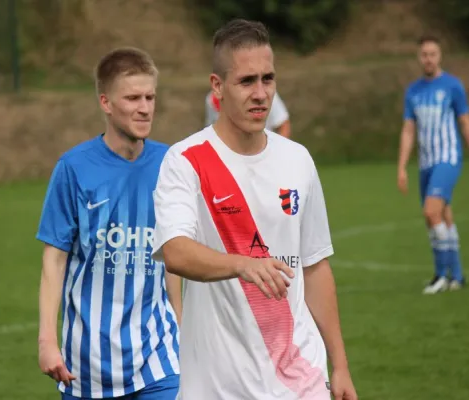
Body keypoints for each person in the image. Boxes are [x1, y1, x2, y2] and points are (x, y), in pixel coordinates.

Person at [152, 19, 357, 400]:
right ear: (217, 88)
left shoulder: (298, 160)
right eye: (247, 81)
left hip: (301, 379)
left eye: (268, 79)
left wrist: (340, 365)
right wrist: (242, 263)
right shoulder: (185, 161)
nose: (261, 93)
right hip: (218, 384)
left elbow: (314, 266)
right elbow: (175, 252)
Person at [35, 47, 181, 399]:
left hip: (158, 355)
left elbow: (173, 253)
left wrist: (181, 326)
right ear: (105, 102)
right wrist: (46, 341)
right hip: (87, 364)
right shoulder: (73, 168)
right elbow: (54, 260)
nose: (145, 107)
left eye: (150, 97)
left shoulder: (172, 163)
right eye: (132, 98)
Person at [397, 34, 469, 294]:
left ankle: (440, 275)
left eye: (432, 54)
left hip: (448, 158)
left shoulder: (453, 86)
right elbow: (408, 130)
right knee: (441, 217)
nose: (428, 59)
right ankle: (457, 277)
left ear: (440, 56)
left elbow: (465, 122)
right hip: (426, 163)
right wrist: (402, 166)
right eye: (424, 54)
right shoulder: (413, 91)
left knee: (431, 211)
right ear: (419, 57)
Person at [205, 89, 291, 137]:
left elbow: (283, 124)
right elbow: (212, 131)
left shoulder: (264, 93)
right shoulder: (211, 100)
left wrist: (275, 154)